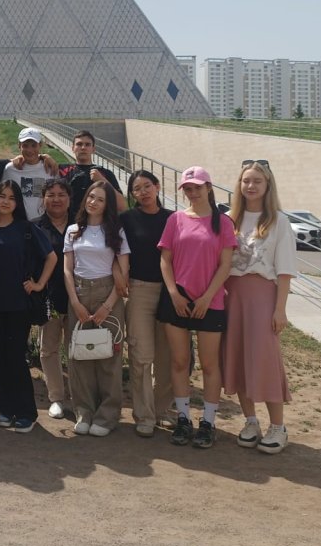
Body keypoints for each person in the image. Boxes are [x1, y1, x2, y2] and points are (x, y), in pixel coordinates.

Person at [158, 166, 237, 449]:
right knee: (180, 362)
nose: (193, 192)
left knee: (209, 364)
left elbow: (225, 265)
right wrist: (174, 294)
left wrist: (207, 297)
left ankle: (208, 422)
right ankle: (183, 418)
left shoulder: (223, 223)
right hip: (177, 300)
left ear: (209, 188)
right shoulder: (176, 219)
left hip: (210, 302)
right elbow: (165, 260)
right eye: (188, 188)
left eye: (197, 187)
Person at [223, 159, 297, 454]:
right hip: (232, 296)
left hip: (263, 296)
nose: (250, 186)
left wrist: (280, 309)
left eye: (257, 181)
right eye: (246, 181)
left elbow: (285, 270)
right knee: (238, 357)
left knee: (265, 360)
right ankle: (250, 421)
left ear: (268, 185)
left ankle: (278, 426)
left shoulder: (279, 221)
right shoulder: (229, 219)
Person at [0, 181, 56, 433]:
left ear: (17, 202)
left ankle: (25, 412)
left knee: (17, 358)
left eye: (11, 197)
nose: (6, 201)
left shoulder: (26, 229)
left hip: (19, 305)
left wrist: (39, 284)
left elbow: (51, 257)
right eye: (2, 196)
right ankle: (4, 408)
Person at [63, 181, 130, 437]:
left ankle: (107, 415)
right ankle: (84, 411)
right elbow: (67, 269)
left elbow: (124, 271)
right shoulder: (73, 230)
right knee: (79, 355)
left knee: (108, 355)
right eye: (91, 197)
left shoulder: (116, 231)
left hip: (108, 292)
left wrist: (108, 305)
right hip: (79, 292)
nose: (93, 202)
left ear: (107, 205)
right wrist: (75, 302)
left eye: (100, 199)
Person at [121, 169, 174, 437]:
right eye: (136, 189)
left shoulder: (173, 219)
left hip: (170, 292)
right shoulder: (127, 219)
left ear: (157, 186)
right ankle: (144, 414)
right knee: (141, 356)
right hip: (139, 290)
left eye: (146, 186)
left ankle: (162, 409)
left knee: (168, 357)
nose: (142, 192)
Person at [34, 178, 74, 419]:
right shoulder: (35, 227)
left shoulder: (82, 226)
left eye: (61, 194)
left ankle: (80, 397)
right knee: (48, 349)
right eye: (51, 195)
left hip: (78, 298)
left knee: (76, 349)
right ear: (43, 199)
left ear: (69, 199)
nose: (56, 199)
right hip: (49, 300)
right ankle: (56, 397)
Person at [58, 130, 126, 219]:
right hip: (68, 223)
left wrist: (102, 180)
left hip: (98, 224)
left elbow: (122, 206)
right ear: (73, 148)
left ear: (93, 149)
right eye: (79, 144)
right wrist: (45, 157)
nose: (83, 147)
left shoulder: (105, 173)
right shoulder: (62, 170)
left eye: (87, 144)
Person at [2, 127, 57, 220]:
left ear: (40, 145)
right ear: (19, 146)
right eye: (25, 146)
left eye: (33, 145)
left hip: (44, 222)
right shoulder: (11, 169)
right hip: (18, 222)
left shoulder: (50, 168)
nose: (29, 150)